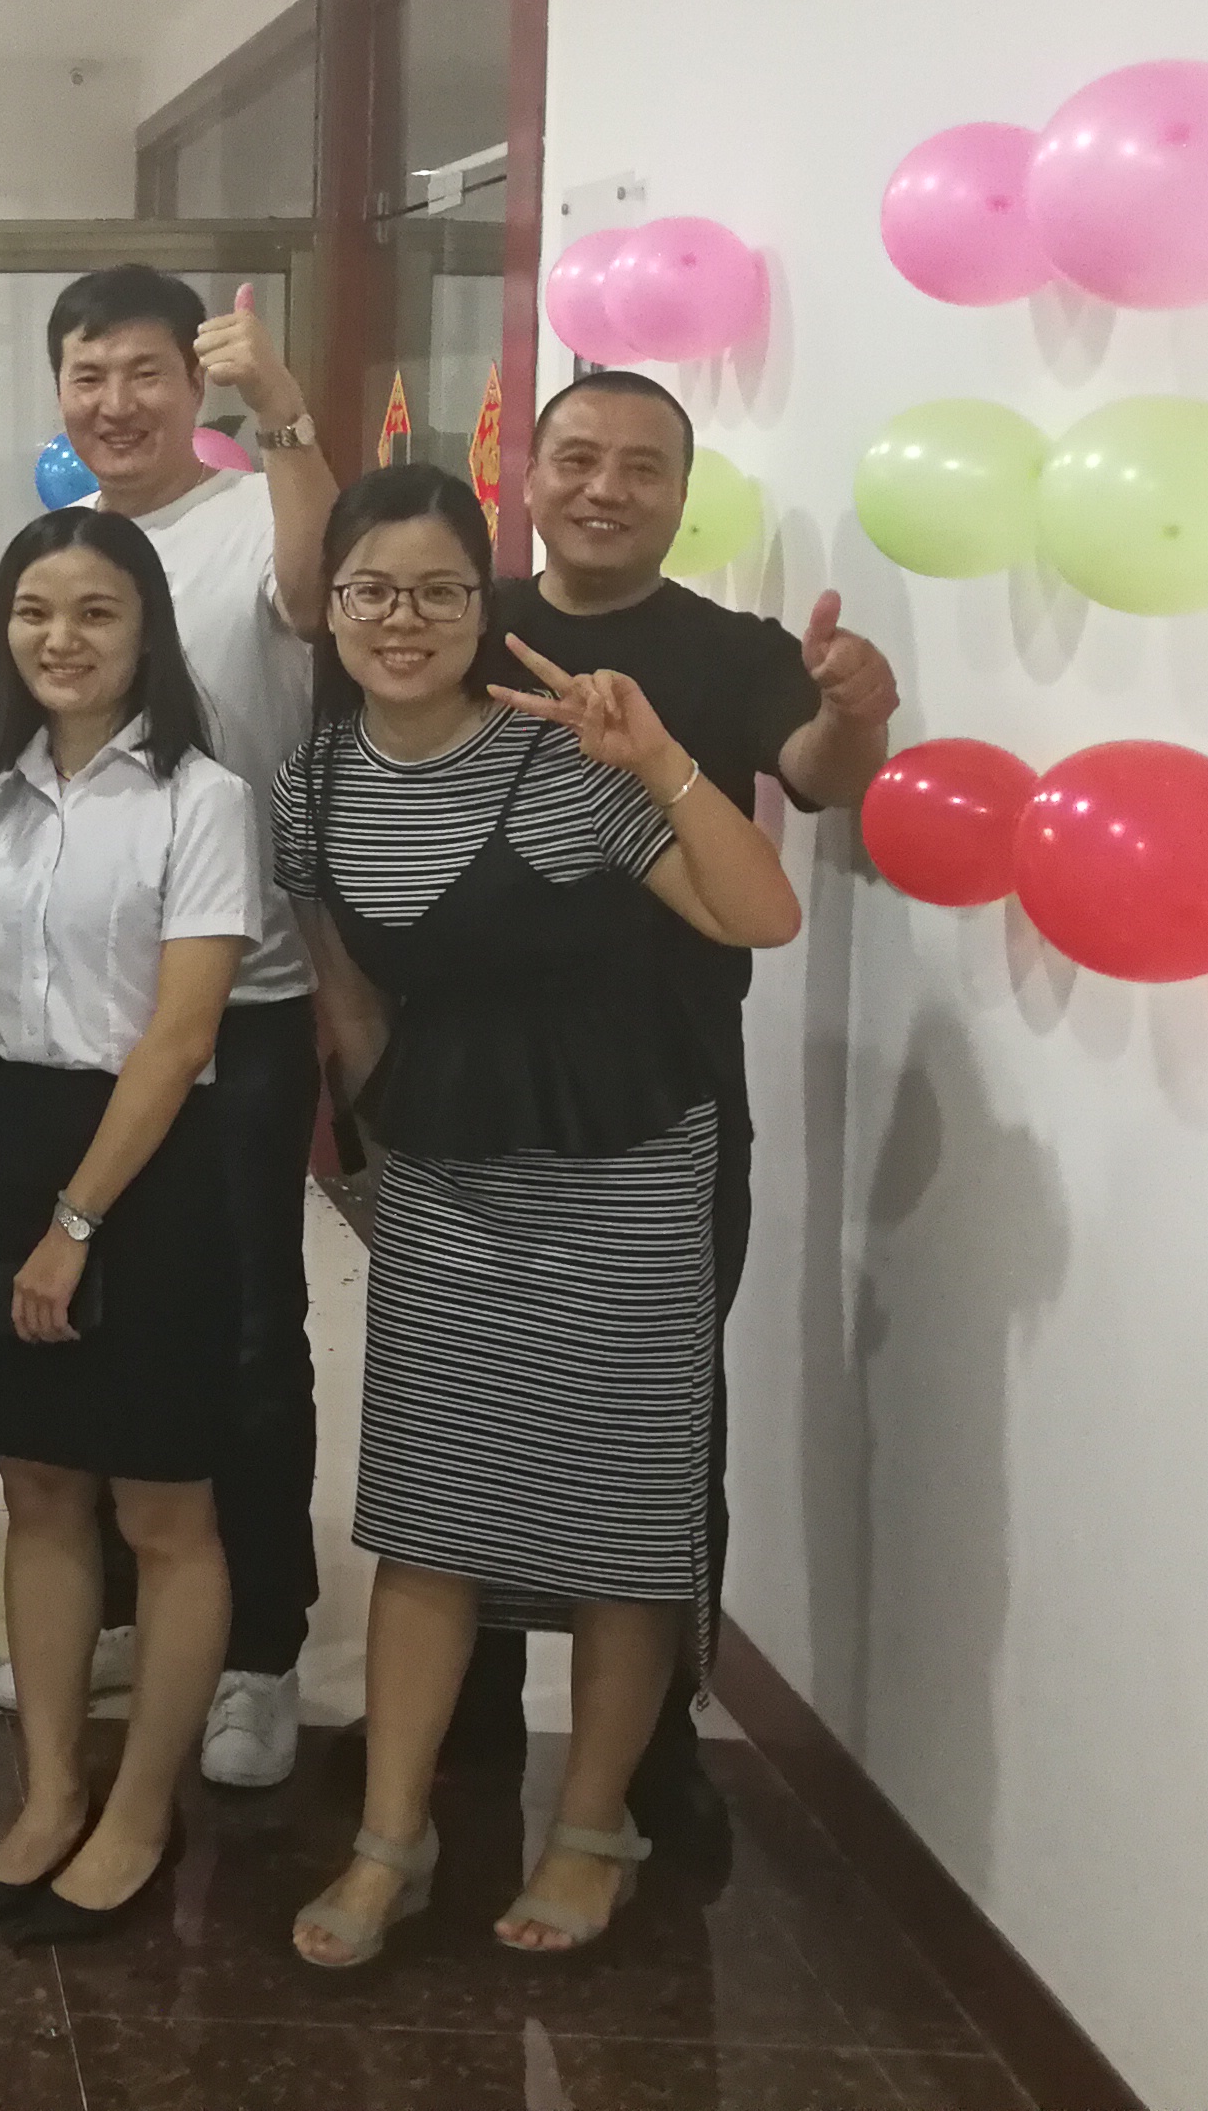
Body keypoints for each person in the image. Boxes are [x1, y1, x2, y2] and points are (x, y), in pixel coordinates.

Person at [275, 468, 801, 1968]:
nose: (404, 619)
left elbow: (759, 916)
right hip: (447, 1166)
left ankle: (591, 1828)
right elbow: (345, 992)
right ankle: (392, 1839)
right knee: (427, 1509)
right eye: (372, 590)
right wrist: (376, 1165)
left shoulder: (566, 756)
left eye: (440, 591)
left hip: (627, 1155)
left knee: (619, 1513)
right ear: (331, 606)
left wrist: (663, 762)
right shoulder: (314, 783)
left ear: (482, 605)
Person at [464, 368, 899, 1826]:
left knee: (656, 1426)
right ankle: (467, 1709)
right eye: (577, 458)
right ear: (528, 475)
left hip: (668, 1095)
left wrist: (854, 713)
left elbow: (819, 774)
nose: (605, 488)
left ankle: (656, 1746)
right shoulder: (459, 621)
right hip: (474, 1087)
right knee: (468, 1409)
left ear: (680, 492)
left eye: (641, 467)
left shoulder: (732, 652)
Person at [0, 508, 254, 1944]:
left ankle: (141, 1813)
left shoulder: (201, 800)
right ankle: (49, 1796)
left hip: (144, 1168)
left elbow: (180, 1038)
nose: (61, 638)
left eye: (95, 612)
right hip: (8, 1138)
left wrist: (77, 1223)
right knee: (36, 1491)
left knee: (163, 1511)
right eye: (35, 611)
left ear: (145, 630)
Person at [47, 262, 334, 1786]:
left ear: (192, 381)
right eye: (88, 375)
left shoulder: (250, 518)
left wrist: (283, 410)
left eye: (143, 372)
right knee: (101, 1310)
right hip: (88, 1012)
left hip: (248, 1003)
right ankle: (127, 1601)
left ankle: (262, 1648)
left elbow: (318, 590)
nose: (116, 403)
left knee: (248, 1331)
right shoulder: (70, 549)